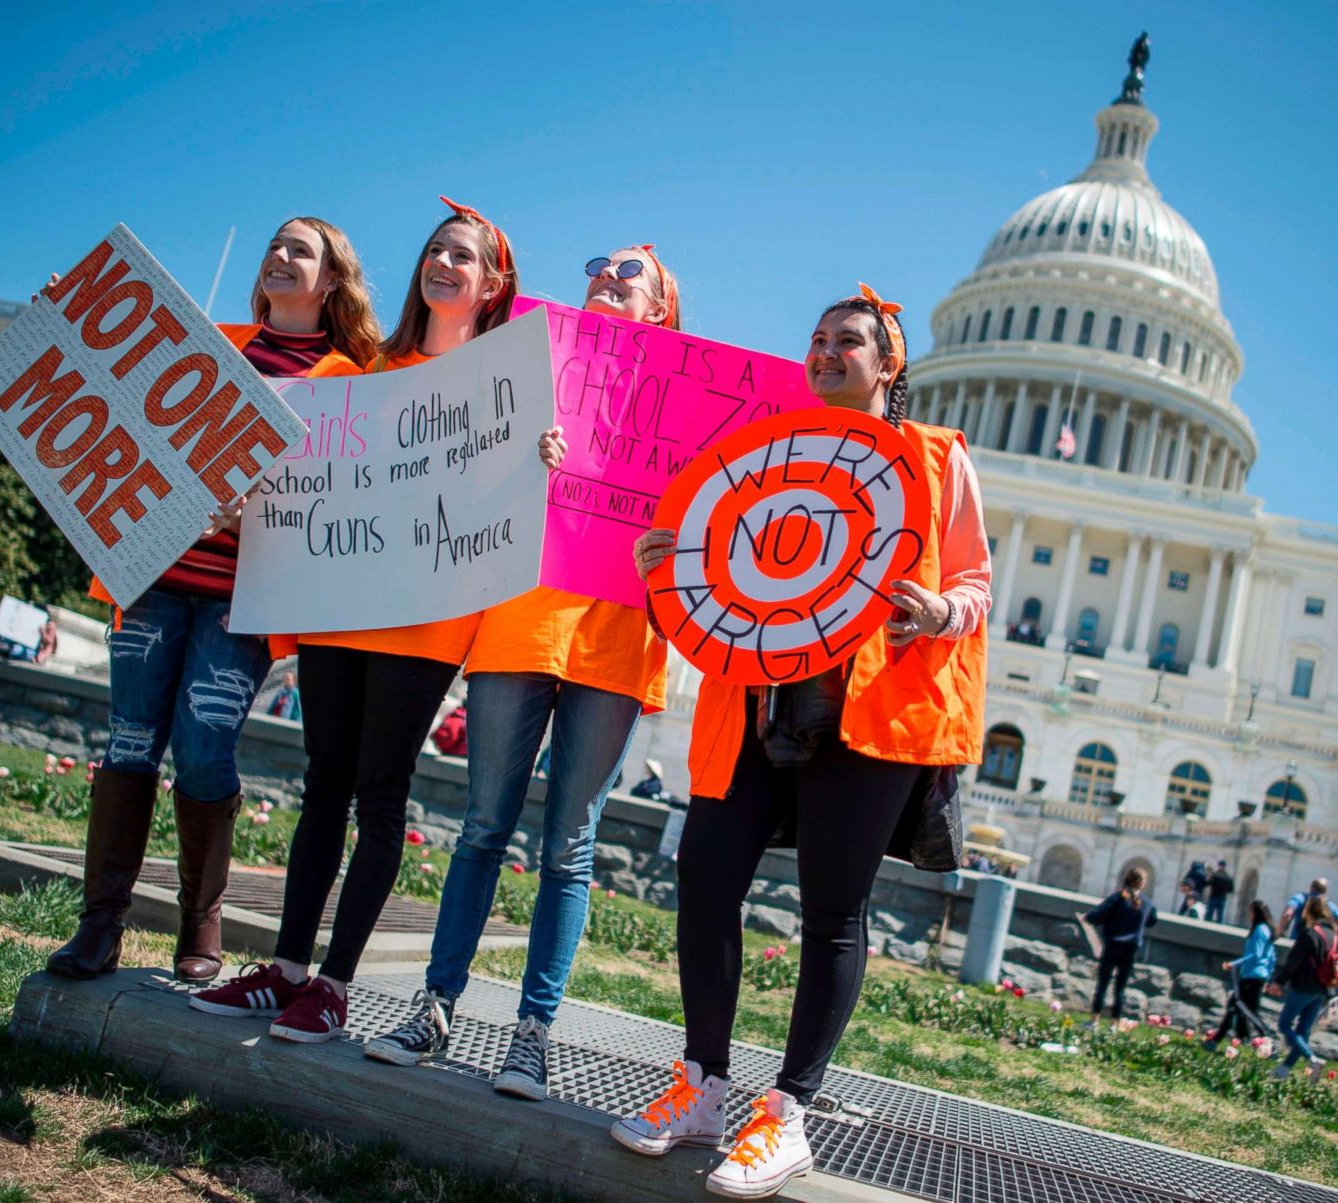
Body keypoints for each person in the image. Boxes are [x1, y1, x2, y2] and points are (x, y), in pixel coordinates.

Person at [609, 286, 990, 1199]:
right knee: (705, 877)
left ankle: (785, 1115)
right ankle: (701, 1085)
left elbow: (975, 580)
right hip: (753, 700)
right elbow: (715, 571)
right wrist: (667, 563)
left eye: (848, 342)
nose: (825, 353)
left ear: (888, 364)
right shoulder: (763, 454)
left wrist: (939, 609)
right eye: (817, 339)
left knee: (831, 909)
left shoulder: (937, 459)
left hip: (865, 708)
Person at [191, 197, 517, 1040]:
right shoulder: (360, 374)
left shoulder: (510, 387)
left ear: (492, 283)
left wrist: (534, 459)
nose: (442, 264)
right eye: (434, 250)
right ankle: (287, 969)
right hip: (340, 605)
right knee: (323, 780)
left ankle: (334, 985)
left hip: (425, 621)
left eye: (462, 256)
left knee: (380, 791)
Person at [363, 245, 682, 1099]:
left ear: (659, 310)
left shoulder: (686, 409)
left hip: (614, 640)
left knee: (569, 849)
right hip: (518, 624)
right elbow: (456, 480)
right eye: (599, 269)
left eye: (630, 276)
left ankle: (532, 1033)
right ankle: (435, 1004)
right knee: (482, 826)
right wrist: (519, 461)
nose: (608, 280)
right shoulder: (526, 360)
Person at [48, 216, 376, 985]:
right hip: (154, 576)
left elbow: (349, 495)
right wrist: (70, 321)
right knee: (130, 741)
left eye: (302, 250)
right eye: (276, 245)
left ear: (331, 282)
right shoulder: (212, 347)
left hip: (244, 599)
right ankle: (100, 924)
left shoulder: (351, 382)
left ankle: (201, 921)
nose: (281, 256)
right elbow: (117, 382)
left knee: (203, 748)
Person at [1268, 894, 1336, 1082]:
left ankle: (1311, 1059)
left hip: (1303, 986)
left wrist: (1279, 981)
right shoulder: (1332, 936)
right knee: (1303, 1032)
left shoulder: (1310, 933)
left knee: (1284, 1024)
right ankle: (1284, 1070)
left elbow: (1293, 962)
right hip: (1321, 990)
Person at [1086, 867, 1158, 1026]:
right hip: (1131, 948)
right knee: (1120, 987)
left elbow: (1099, 914)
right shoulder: (1147, 903)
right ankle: (1114, 1023)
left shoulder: (1119, 897)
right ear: (1142, 883)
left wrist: (1088, 917)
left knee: (1103, 984)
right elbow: (1152, 920)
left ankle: (1094, 1020)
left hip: (1113, 944)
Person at [1205, 900, 1276, 1047]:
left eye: (1250, 911)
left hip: (1252, 976)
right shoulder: (1266, 930)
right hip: (1256, 975)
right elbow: (1271, 957)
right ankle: (1242, 1039)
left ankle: (1267, 1039)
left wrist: (1234, 964)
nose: (1249, 915)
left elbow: (1256, 954)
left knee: (1240, 1008)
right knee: (1241, 1009)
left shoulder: (1259, 930)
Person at [1280, 877, 1338, 941]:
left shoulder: (1301, 898)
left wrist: (1281, 931)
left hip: (1297, 943)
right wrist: (1335, 941)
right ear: (1325, 891)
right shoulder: (1328, 905)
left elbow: (1287, 914)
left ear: (1311, 887)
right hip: (1317, 948)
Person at [1205, 858, 1234, 925]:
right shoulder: (1228, 877)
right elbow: (1231, 890)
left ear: (1219, 865)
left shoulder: (1215, 875)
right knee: (1220, 916)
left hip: (1213, 896)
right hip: (1222, 898)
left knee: (1209, 914)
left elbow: (1208, 883)